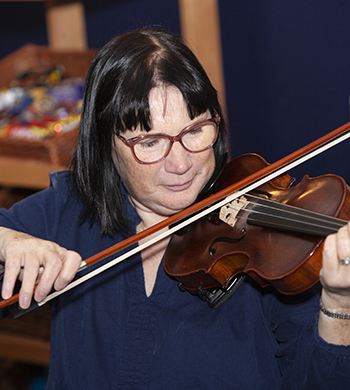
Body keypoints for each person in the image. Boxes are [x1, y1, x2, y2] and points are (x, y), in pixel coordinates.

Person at [0, 27, 350, 389]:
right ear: (106, 142)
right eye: (150, 142)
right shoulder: (70, 208)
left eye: (196, 130)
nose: (181, 164)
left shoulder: (275, 253)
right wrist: (7, 242)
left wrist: (340, 306)